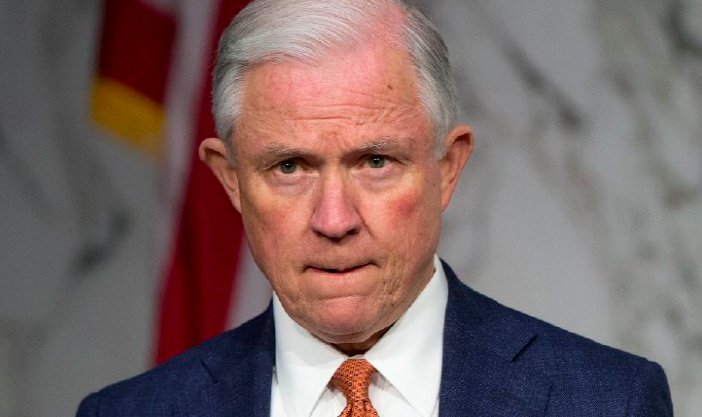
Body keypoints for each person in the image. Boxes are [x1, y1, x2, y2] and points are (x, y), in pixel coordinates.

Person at [77, 0, 673, 415]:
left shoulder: (609, 402)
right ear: (230, 180)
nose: (335, 220)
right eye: (290, 167)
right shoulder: (128, 413)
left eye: (375, 162)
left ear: (447, 168)